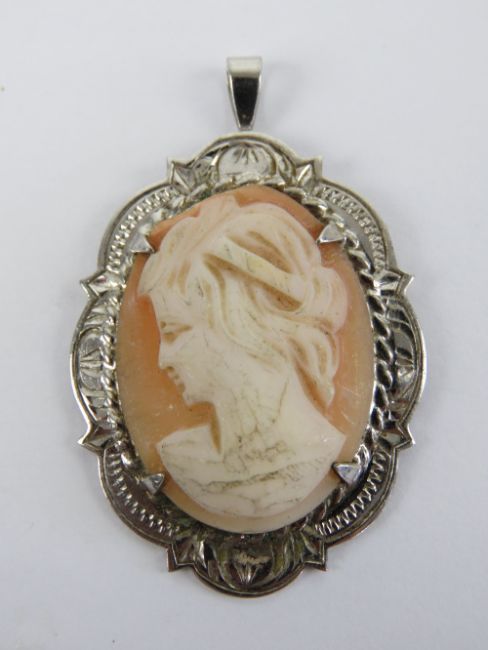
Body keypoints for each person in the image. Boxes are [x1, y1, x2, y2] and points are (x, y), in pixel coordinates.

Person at [139, 193, 348, 519]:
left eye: (174, 332)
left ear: (244, 322)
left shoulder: (322, 455)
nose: (163, 360)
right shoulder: (179, 456)